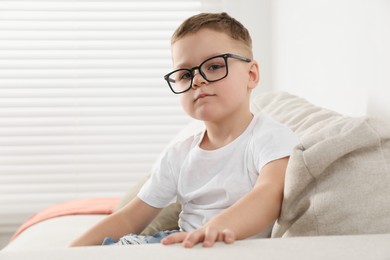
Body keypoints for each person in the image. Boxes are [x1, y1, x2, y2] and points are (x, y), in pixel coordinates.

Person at [70, 12, 298, 248]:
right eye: (185, 74)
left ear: (251, 75)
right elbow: (130, 217)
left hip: (221, 245)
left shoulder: (268, 136)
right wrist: (67, 252)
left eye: (214, 66)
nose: (197, 80)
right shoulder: (178, 155)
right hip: (184, 246)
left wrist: (213, 229)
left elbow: (270, 194)